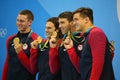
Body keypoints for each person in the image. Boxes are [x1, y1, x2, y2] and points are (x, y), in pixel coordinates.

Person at [73, 7, 115, 80]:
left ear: (86, 20)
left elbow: (98, 62)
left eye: (76, 19)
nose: (73, 23)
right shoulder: (89, 35)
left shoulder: (96, 33)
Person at [2, 10, 38, 80]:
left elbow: (33, 70)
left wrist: (20, 53)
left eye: (22, 21)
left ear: (30, 22)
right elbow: (7, 62)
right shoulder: (10, 39)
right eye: (17, 20)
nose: (18, 23)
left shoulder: (35, 40)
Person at [56, 11, 85, 80]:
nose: (59, 26)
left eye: (62, 22)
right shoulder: (63, 40)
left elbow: (84, 67)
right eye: (59, 23)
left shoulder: (83, 39)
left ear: (72, 23)